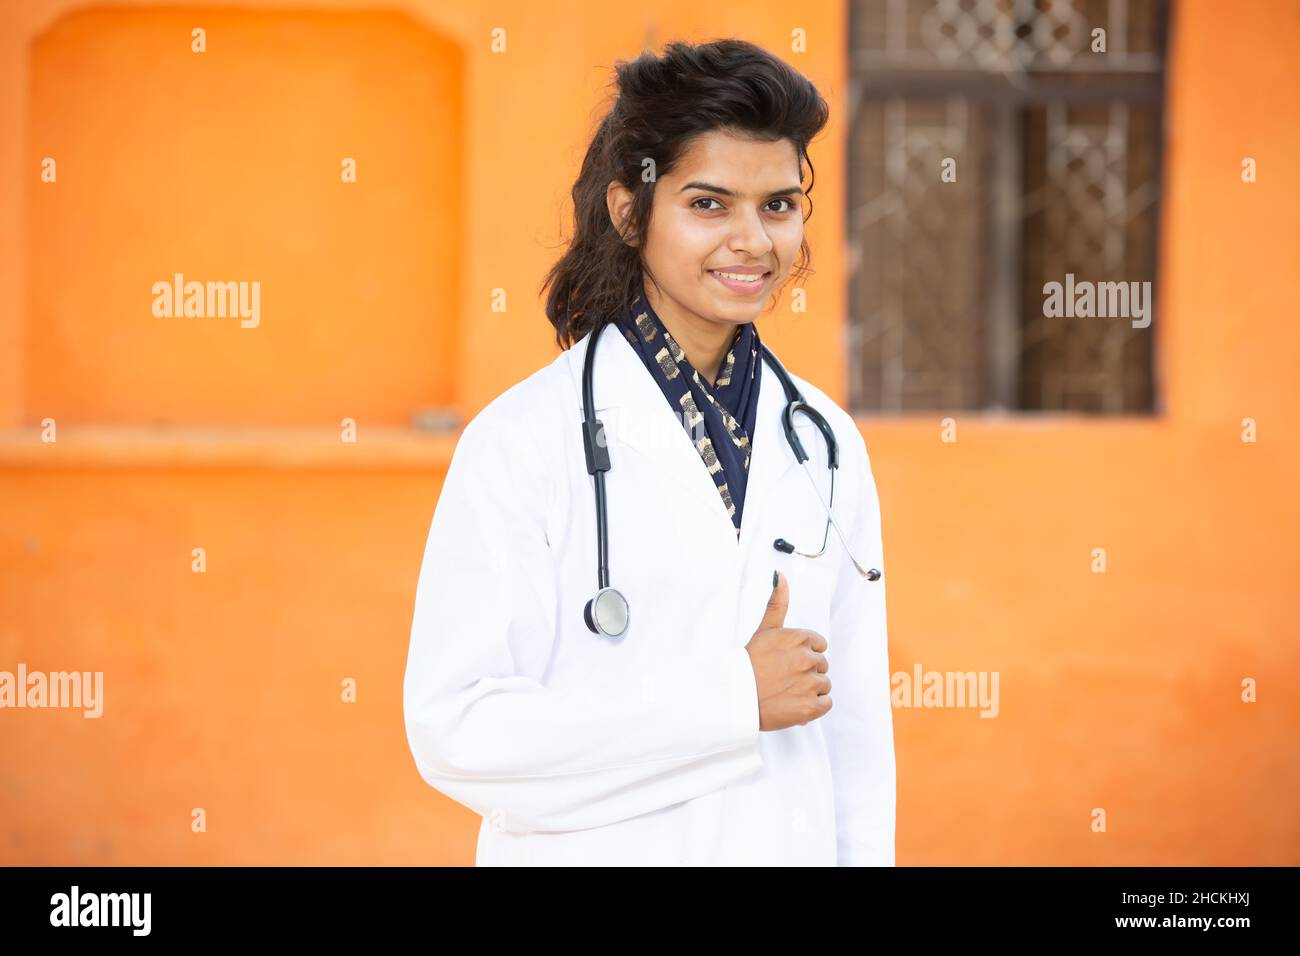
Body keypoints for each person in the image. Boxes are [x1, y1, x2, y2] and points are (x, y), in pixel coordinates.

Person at [403, 38, 895, 866]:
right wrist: (731, 700)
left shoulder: (824, 443)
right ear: (630, 211)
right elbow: (459, 730)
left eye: (778, 205)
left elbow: (856, 739)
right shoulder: (522, 441)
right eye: (710, 204)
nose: (753, 240)